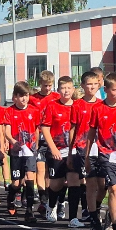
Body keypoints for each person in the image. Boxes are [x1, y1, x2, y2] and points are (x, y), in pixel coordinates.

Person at [85, 73, 116, 230]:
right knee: (114, 189)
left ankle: (108, 216)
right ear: (106, 90)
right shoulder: (98, 109)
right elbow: (91, 133)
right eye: (114, 90)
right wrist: (88, 156)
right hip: (105, 154)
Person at [67, 71, 103, 230]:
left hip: (100, 149)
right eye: (89, 84)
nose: (92, 87)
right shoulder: (77, 105)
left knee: (102, 185)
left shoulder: (102, 104)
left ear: (99, 85)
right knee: (89, 183)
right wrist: (70, 150)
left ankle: (93, 209)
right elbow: (73, 129)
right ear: (82, 85)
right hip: (82, 148)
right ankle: (92, 216)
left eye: (95, 84)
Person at [40, 76, 76, 222]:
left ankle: (71, 216)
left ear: (73, 89)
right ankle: (51, 205)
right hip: (57, 149)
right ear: (58, 90)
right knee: (56, 183)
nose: (66, 91)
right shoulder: (52, 105)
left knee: (73, 181)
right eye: (63, 88)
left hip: (73, 151)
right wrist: (53, 148)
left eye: (68, 88)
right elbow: (45, 128)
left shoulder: (77, 105)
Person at [3, 82, 40, 219]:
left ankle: (29, 211)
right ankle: (10, 200)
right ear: (15, 97)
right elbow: (7, 131)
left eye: (26, 95)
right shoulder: (9, 112)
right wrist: (13, 142)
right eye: (21, 96)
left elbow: (36, 129)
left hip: (30, 151)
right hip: (16, 152)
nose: (24, 99)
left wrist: (35, 144)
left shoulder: (34, 111)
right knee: (16, 183)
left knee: (30, 179)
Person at [29, 71, 59, 212]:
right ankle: (43, 200)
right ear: (40, 84)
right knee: (40, 169)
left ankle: (50, 196)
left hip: (54, 138)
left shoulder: (56, 97)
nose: (48, 88)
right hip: (38, 137)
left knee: (50, 171)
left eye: (50, 85)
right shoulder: (33, 99)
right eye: (45, 85)